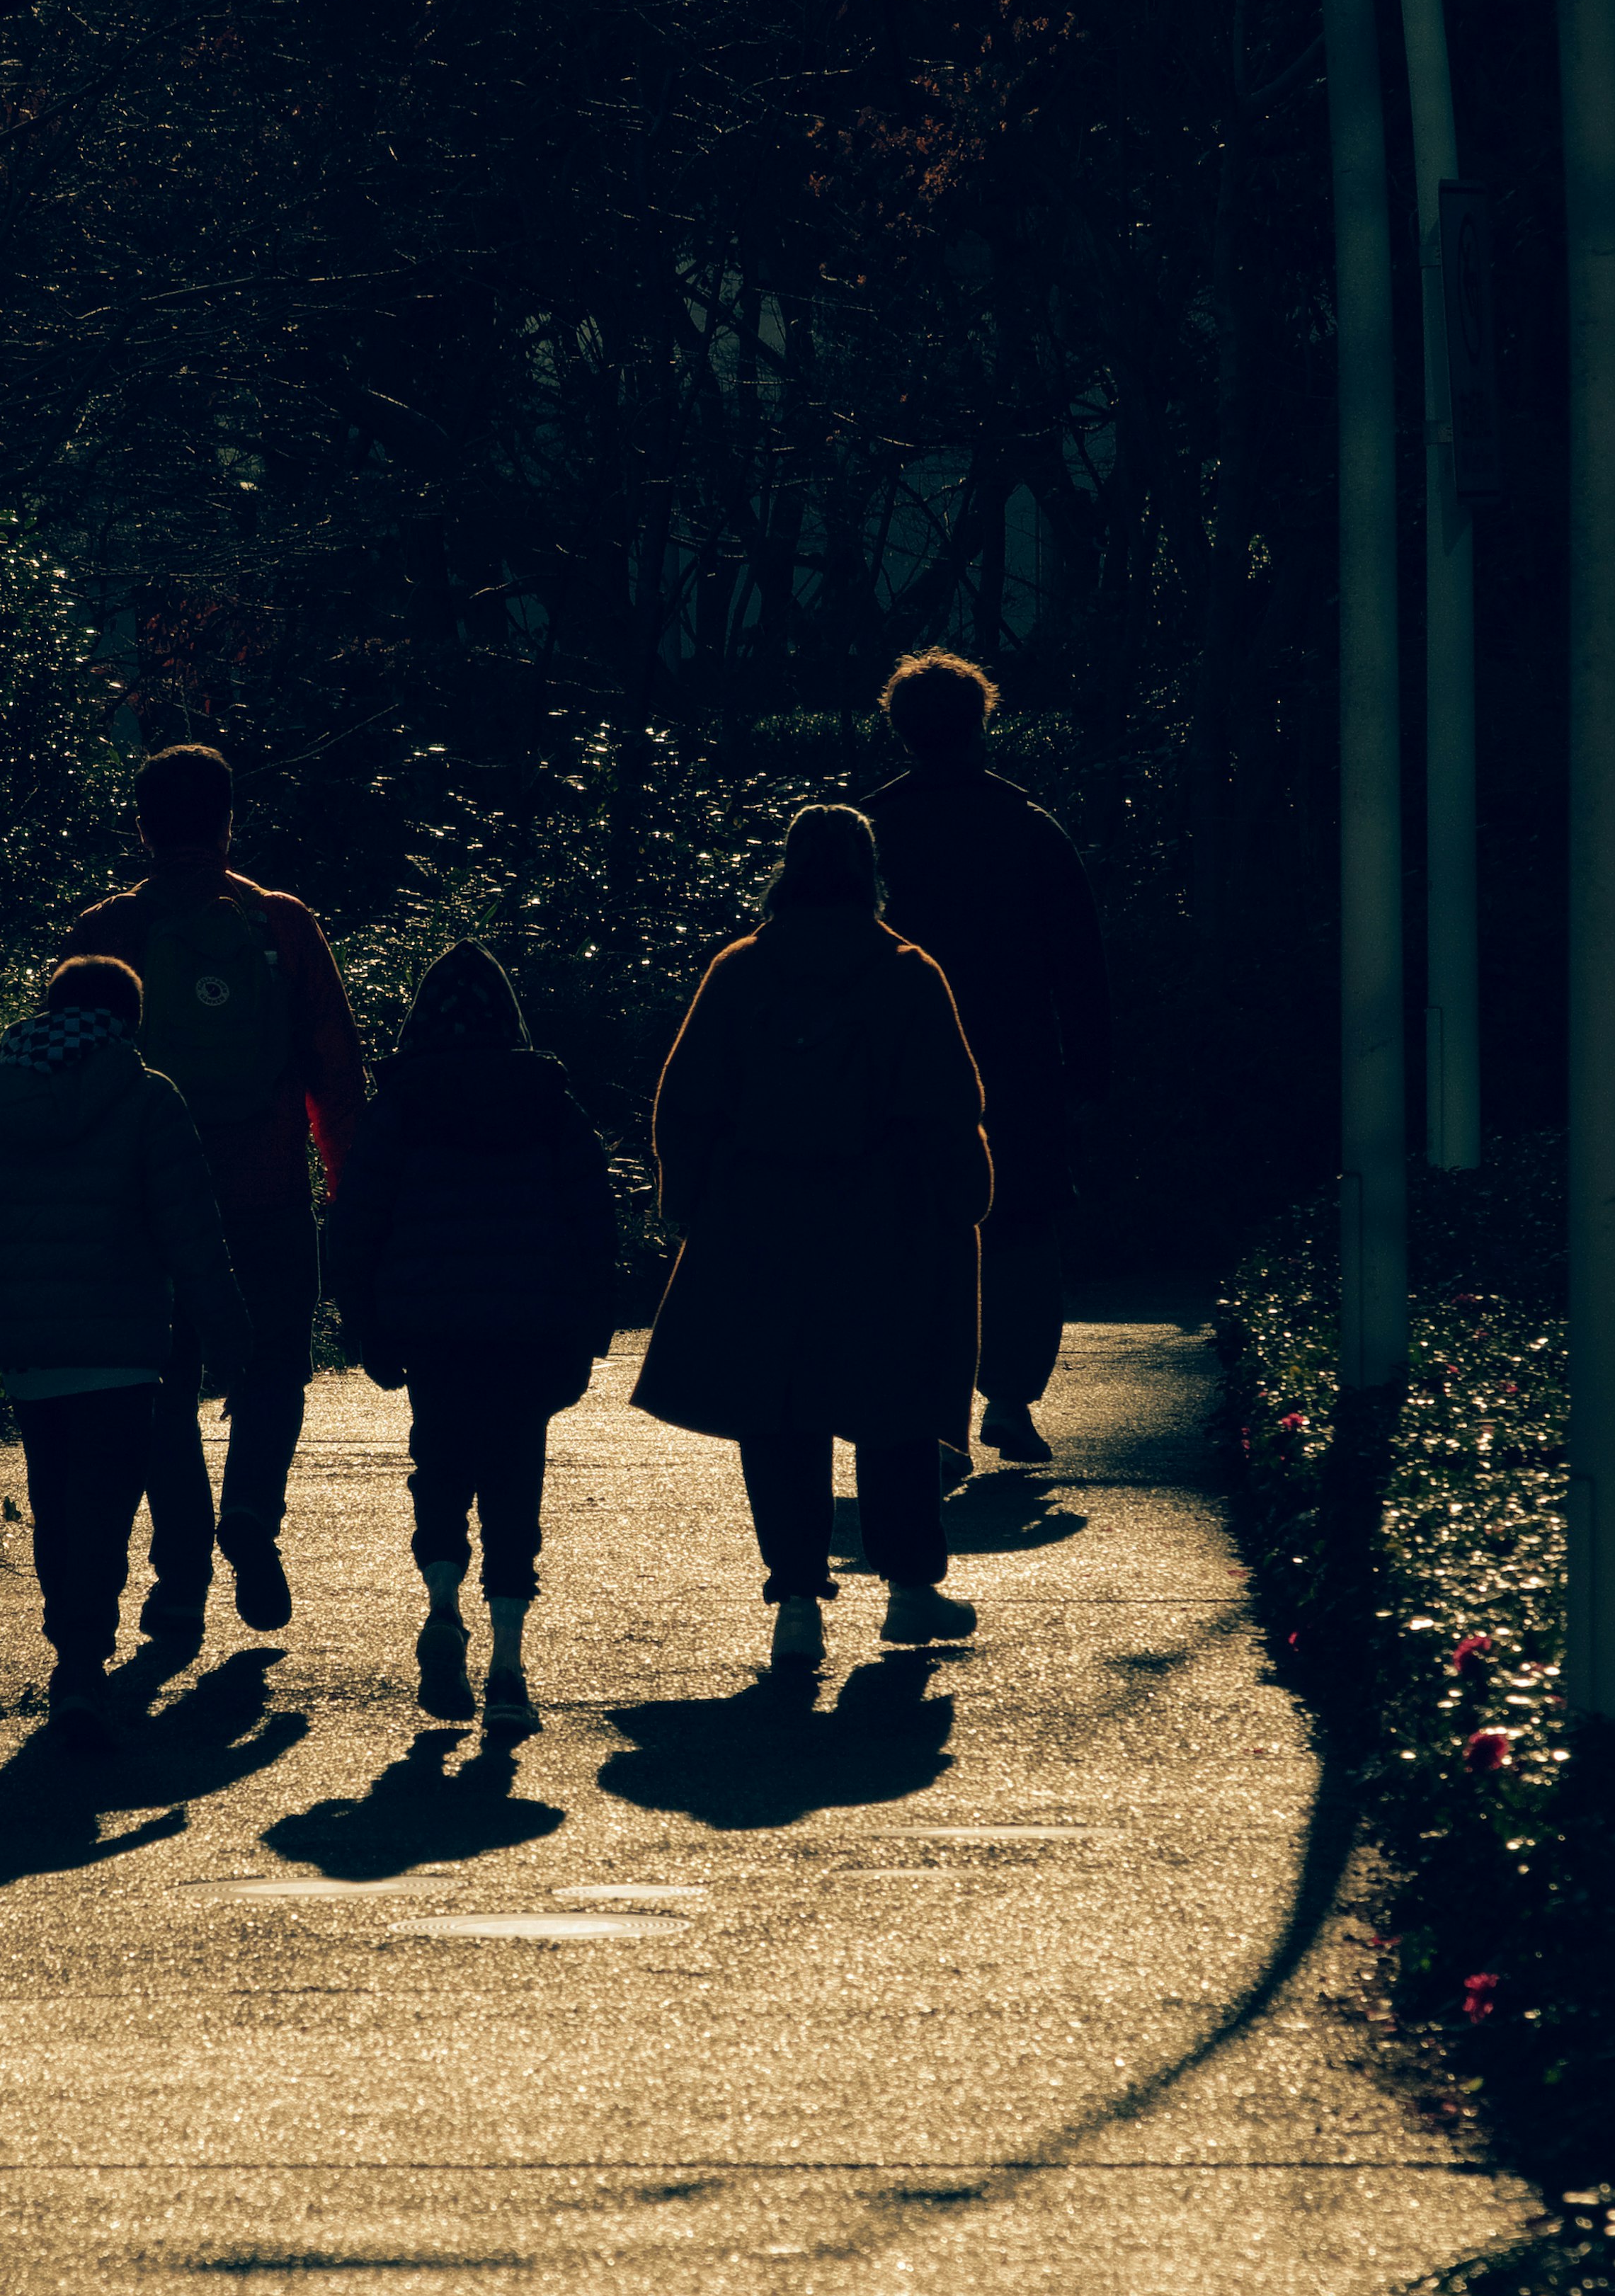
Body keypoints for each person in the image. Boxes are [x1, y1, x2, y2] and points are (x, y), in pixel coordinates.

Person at [630, 805, 990, 1666]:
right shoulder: (907, 972)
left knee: (778, 1408)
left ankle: (796, 1600)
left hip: (760, 1221)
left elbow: (685, 1100)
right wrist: (966, 1195)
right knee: (893, 1403)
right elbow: (950, 1104)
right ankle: (909, 1590)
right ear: (868, 872)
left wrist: (688, 1203)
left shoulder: (742, 971)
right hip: (886, 1221)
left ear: (788, 869)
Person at [0, 954, 251, 1752]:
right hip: (123, 1348)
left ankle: (75, 1660)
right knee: (103, 1508)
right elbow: (193, 1236)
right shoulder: (148, 1097)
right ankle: (82, 1668)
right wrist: (233, 1346)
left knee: (56, 1507)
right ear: (129, 1020)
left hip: (31, 1351)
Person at [62, 743, 365, 1651]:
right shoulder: (280, 923)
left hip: (145, 1207)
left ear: (144, 824)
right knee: (274, 1367)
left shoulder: (105, 930)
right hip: (267, 1191)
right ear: (229, 820)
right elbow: (335, 1075)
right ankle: (253, 1522)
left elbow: (72, 1082)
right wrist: (346, 1193)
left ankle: (182, 1572)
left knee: (162, 1385)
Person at [326, 942, 618, 1736]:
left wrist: (365, 1325)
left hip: (435, 1327)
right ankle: (510, 1667)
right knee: (516, 1482)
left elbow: (357, 1223)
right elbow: (593, 1219)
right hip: (530, 1327)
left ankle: (443, 1607)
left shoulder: (399, 1107)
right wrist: (589, 1330)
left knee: (442, 1467)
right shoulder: (548, 1102)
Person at [864, 649, 1113, 1464]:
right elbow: (1080, 967)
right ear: (981, 724)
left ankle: (934, 1416)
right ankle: (1009, 1397)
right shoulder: (1028, 829)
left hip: (895, 1069)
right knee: (1020, 1227)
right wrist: (1091, 1076)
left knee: (909, 1237)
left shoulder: (870, 831)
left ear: (901, 729)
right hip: (1015, 1061)